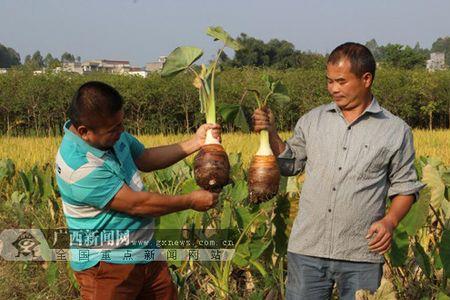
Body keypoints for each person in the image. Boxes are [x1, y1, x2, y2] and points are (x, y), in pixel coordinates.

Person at [252, 42, 425, 300]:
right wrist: (272, 133)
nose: (333, 88)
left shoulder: (395, 131)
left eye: (341, 81)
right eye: (329, 81)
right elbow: (290, 164)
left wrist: (390, 221)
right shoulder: (313, 120)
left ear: (366, 79)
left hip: (360, 253)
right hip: (307, 249)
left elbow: (405, 187)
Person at [55, 81, 220, 300]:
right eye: (114, 129)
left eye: (121, 123)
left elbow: (145, 158)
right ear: (84, 132)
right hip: (106, 266)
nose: (121, 131)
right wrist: (190, 201)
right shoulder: (78, 167)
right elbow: (136, 204)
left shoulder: (108, 134)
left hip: (146, 254)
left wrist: (196, 142)